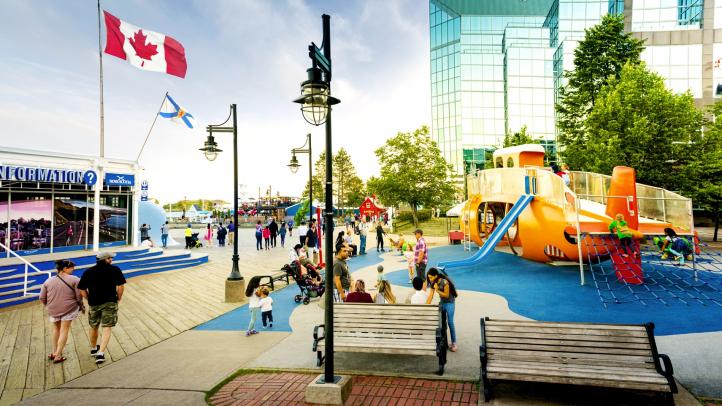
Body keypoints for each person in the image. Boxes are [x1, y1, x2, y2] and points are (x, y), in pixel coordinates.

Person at [78, 252, 126, 364]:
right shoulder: (115, 270)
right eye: (110, 258)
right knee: (107, 327)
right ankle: (101, 353)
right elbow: (120, 286)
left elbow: (81, 289)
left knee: (93, 326)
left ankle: (94, 348)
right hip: (110, 301)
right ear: (106, 259)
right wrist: (118, 298)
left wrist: (89, 298)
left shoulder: (88, 271)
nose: (111, 260)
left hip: (94, 302)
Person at [40, 259, 83, 364]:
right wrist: (81, 305)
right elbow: (78, 296)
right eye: (71, 268)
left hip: (53, 309)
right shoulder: (75, 279)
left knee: (56, 329)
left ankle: (54, 352)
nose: (73, 270)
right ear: (64, 268)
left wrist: (49, 306)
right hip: (68, 308)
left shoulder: (48, 281)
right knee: (64, 330)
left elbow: (42, 297)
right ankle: (58, 355)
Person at [426, 268, 458, 352]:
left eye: (431, 277)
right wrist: (426, 306)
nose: (430, 279)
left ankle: (454, 343)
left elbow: (446, 295)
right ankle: (444, 342)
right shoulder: (433, 283)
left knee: (450, 322)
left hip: (450, 303)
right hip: (442, 303)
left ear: (436, 276)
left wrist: (437, 290)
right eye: (429, 277)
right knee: (441, 322)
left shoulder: (445, 282)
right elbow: (431, 295)